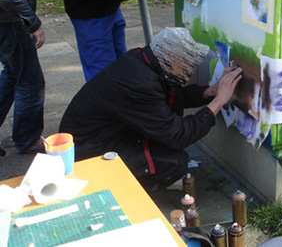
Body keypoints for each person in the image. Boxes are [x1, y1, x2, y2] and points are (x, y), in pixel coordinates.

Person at [59, 27, 242, 192]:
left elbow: (171, 98)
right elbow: (178, 135)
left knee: (164, 146)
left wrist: (210, 91)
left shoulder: (146, 61)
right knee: (174, 162)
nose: (191, 68)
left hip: (100, 135)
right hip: (87, 152)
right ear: (172, 61)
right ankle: (118, 190)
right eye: (187, 63)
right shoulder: (140, 84)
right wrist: (218, 102)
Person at [0, 0, 65, 154]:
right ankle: (28, 140)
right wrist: (32, 22)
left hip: (6, 17)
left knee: (13, 73)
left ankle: (25, 137)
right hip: (8, 18)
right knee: (29, 81)